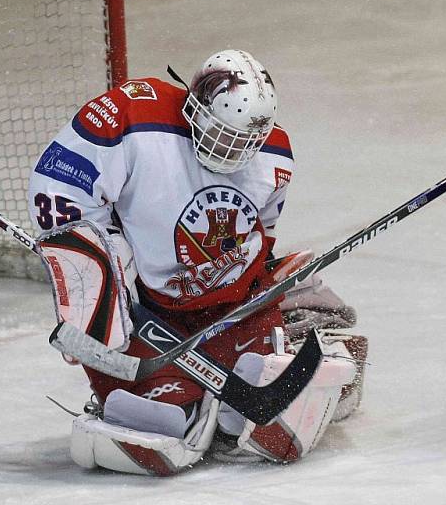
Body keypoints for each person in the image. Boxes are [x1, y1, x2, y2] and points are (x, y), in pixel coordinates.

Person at [28, 49, 367, 475]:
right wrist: (103, 263)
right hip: (145, 309)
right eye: (223, 134)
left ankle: (292, 315)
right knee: (163, 418)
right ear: (195, 106)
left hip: (225, 307)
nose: (232, 151)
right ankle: (184, 384)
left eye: (245, 141)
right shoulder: (134, 116)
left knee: (275, 401)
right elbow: (59, 183)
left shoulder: (275, 157)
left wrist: (250, 284)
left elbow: (261, 231)